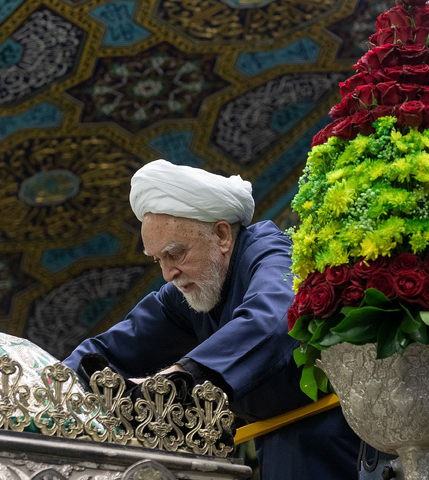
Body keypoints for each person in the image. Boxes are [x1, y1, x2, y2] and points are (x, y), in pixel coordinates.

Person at [64, 160, 360, 480]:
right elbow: (113, 347)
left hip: (344, 442)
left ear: (221, 235)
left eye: (175, 254)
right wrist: (43, 375)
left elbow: (276, 316)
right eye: (159, 260)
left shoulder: (270, 250)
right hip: (280, 448)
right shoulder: (189, 292)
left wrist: (184, 376)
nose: (167, 274)